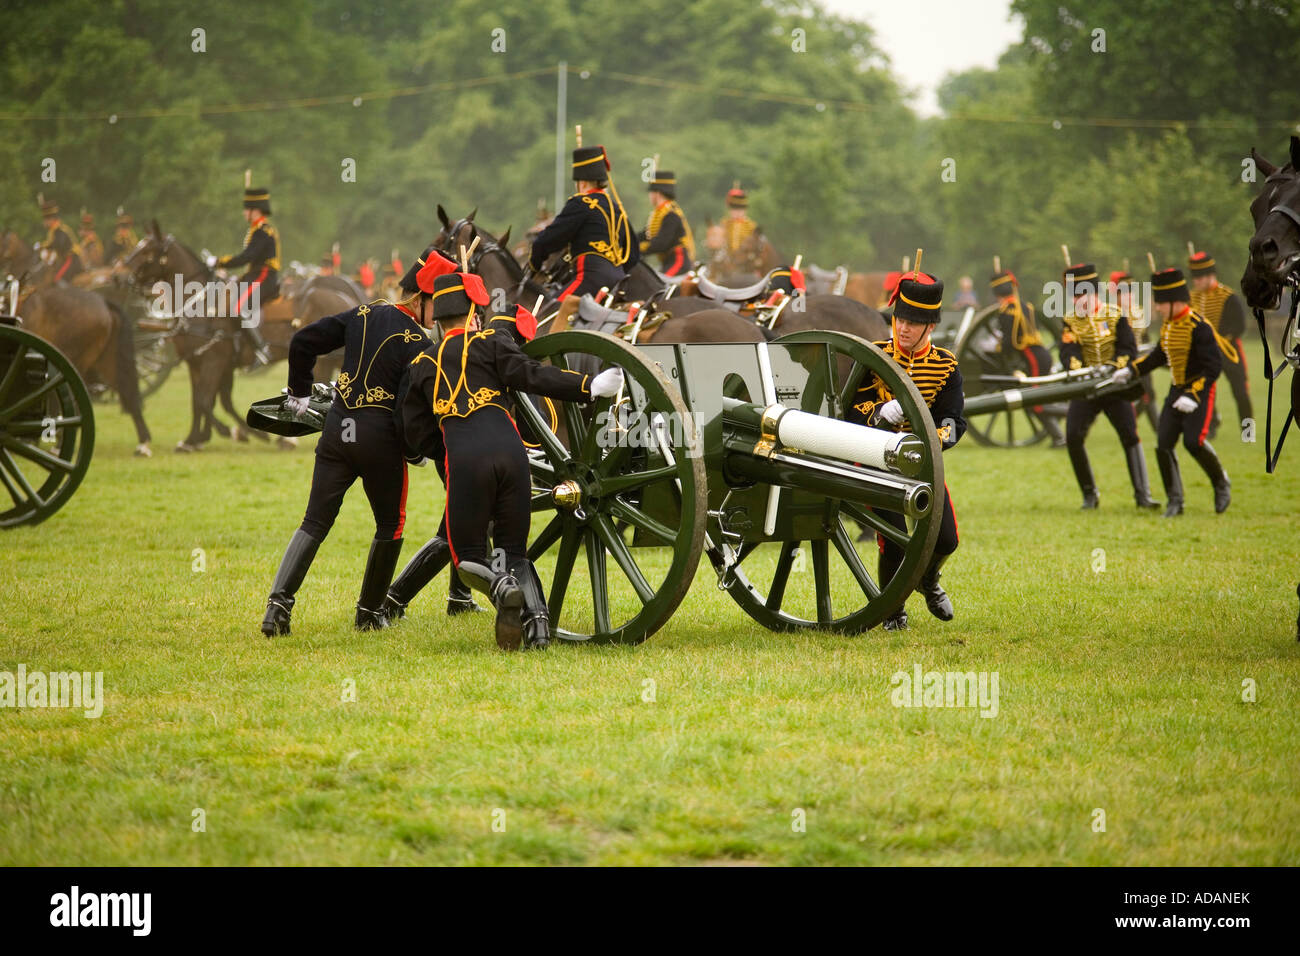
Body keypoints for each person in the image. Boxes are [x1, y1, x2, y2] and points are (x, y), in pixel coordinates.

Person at [401, 271, 625, 650]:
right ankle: (538, 626)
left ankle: (501, 586)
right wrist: (589, 386)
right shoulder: (491, 344)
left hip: (466, 460)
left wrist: (445, 451)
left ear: (438, 319)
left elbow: (415, 433)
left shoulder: (421, 363)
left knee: (467, 556)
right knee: (515, 552)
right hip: (512, 454)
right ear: (474, 313)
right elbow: (533, 376)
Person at [260, 263, 437, 637]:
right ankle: (369, 613)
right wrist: (414, 452)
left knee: (314, 521)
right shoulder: (422, 346)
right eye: (441, 303)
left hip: (338, 429)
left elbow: (303, 341)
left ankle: (277, 609)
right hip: (380, 441)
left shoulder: (364, 312)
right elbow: (406, 407)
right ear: (420, 298)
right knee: (392, 523)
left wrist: (300, 392)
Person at [847, 270, 965, 632]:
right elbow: (850, 410)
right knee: (893, 537)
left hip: (920, 461)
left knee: (947, 539)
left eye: (914, 322)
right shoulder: (873, 357)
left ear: (930, 327)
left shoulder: (946, 366)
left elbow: (954, 420)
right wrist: (880, 412)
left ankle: (928, 580)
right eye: (900, 319)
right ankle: (893, 609)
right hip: (875, 459)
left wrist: (936, 437)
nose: (904, 328)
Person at [381, 246, 482, 621]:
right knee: (455, 526)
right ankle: (393, 600)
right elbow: (411, 411)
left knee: (468, 519)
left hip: (458, 446)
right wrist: (423, 450)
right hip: (449, 447)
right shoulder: (428, 351)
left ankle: (458, 596)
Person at [1113, 268, 1230, 516]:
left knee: (1193, 442)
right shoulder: (1168, 326)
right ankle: (1175, 501)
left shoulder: (1199, 327)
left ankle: (1221, 483)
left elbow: (1213, 368)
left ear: (1174, 302)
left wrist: (1193, 395)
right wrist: (1131, 370)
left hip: (1199, 392)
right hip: (1177, 390)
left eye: (1159, 303)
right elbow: (1157, 356)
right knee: (1163, 444)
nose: (1156, 308)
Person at [1059, 262, 1160, 510]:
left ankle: (1143, 495)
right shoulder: (1070, 321)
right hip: (1087, 388)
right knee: (1073, 436)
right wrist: (1076, 369)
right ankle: (1089, 494)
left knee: (1130, 435)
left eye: (1082, 295)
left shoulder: (1115, 315)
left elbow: (1127, 347)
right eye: (1075, 296)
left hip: (1114, 386)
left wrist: (1116, 367)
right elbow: (1069, 350)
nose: (1079, 301)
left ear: (1094, 294)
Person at [529, 144, 638, 300]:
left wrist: (535, 265)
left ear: (583, 183)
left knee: (545, 314)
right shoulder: (618, 210)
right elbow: (633, 255)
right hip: (618, 284)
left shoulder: (580, 203)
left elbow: (547, 240)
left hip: (590, 280)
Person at [990, 268, 1065, 446]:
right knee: (1035, 400)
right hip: (1038, 355)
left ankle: (1074, 412)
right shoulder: (1025, 306)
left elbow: (1011, 341)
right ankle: (1059, 437)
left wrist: (1000, 351)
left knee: (1035, 403)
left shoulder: (1009, 310)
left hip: (1034, 357)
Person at [1188, 250, 1252, 439]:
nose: (1196, 281)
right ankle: (1211, 427)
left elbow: (1239, 326)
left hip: (1230, 350)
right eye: (1195, 277)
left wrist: (1220, 340)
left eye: (1199, 277)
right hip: (1205, 354)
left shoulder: (1228, 296)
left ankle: (1249, 432)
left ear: (1210, 276)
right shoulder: (1192, 298)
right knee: (1206, 392)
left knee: (1241, 393)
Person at [215, 184, 279, 368]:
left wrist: (220, 261)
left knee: (237, 309)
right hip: (255, 274)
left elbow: (247, 257)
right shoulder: (255, 230)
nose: (244, 213)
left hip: (264, 275)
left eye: (246, 210)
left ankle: (262, 349)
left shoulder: (263, 231)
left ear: (255, 210)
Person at [638, 169, 695, 276]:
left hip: (678, 261)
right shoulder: (659, 214)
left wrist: (637, 249)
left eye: (651, 192)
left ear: (657, 193)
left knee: (662, 287)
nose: (649, 196)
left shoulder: (671, 214)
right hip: (667, 261)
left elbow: (661, 244)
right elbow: (645, 235)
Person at [38, 199, 83, 282]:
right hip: (64, 260)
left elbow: (58, 245)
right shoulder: (53, 231)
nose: (44, 222)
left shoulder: (60, 230)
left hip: (71, 259)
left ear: (52, 219)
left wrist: (42, 246)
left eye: (46, 219)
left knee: (59, 279)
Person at [722, 181, 756, 255]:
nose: (737, 212)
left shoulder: (751, 225)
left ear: (745, 210)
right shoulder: (725, 224)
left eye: (740, 209)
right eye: (734, 209)